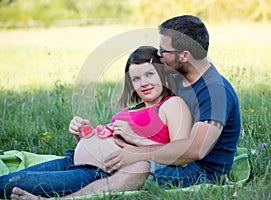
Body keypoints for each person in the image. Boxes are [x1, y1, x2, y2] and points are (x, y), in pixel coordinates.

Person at [9, 14, 241, 199]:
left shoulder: (215, 92)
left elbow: (193, 151)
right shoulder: (178, 80)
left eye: (164, 51)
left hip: (199, 172)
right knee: (11, 181)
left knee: (140, 167)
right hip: (111, 158)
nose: (158, 55)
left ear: (185, 56)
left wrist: (131, 152)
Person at [0, 46, 193, 199]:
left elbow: (181, 154)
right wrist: (81, 136)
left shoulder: (172, 105)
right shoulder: (131, 110)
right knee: (6, 180)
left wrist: (134, 137)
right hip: (72, 160)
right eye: (136, 78)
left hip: (96, 173)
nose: (143, 83)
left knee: (12, 184)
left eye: (150, 74)